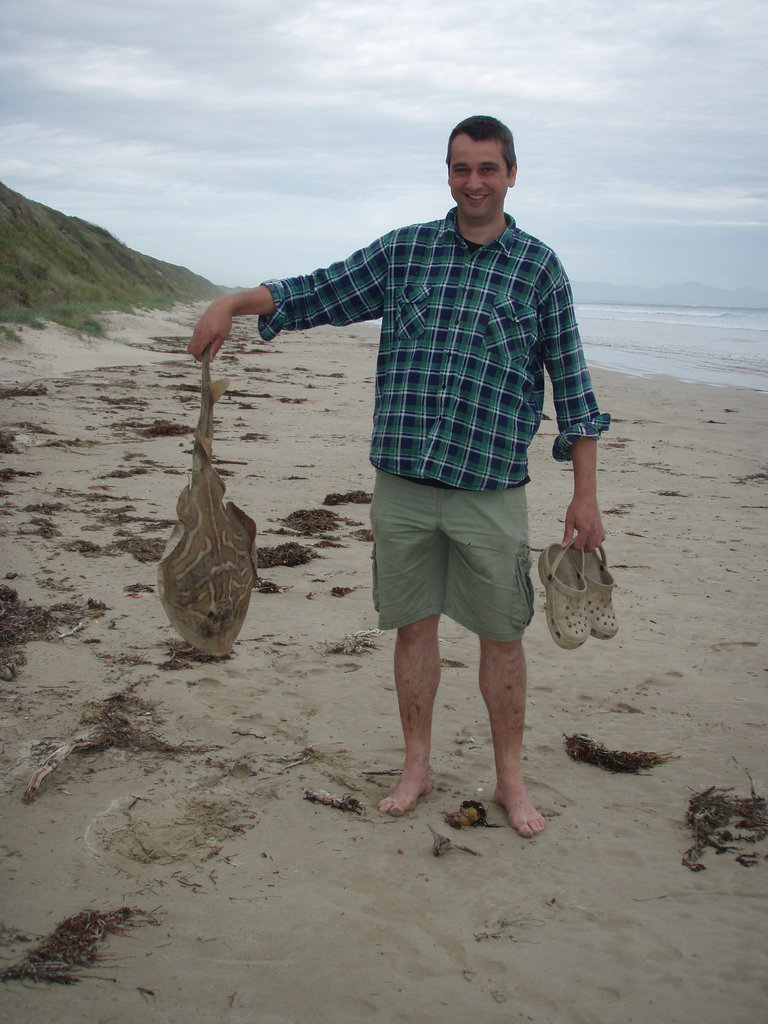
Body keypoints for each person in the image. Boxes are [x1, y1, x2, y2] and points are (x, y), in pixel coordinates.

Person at [188, 115, 610, 837]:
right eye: (460, 168)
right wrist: (233, 301)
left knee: (502, 637)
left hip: (491, 489)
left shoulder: (540, 269)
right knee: (413, 630)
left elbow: (573, 389)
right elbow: (317, 292)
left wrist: (586, 494)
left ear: (512, 174)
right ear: (447, 173)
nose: (473, 182)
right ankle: (416, 764)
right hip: (405, 485)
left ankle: (511, 778)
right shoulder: (405, 253)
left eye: (487, 169)